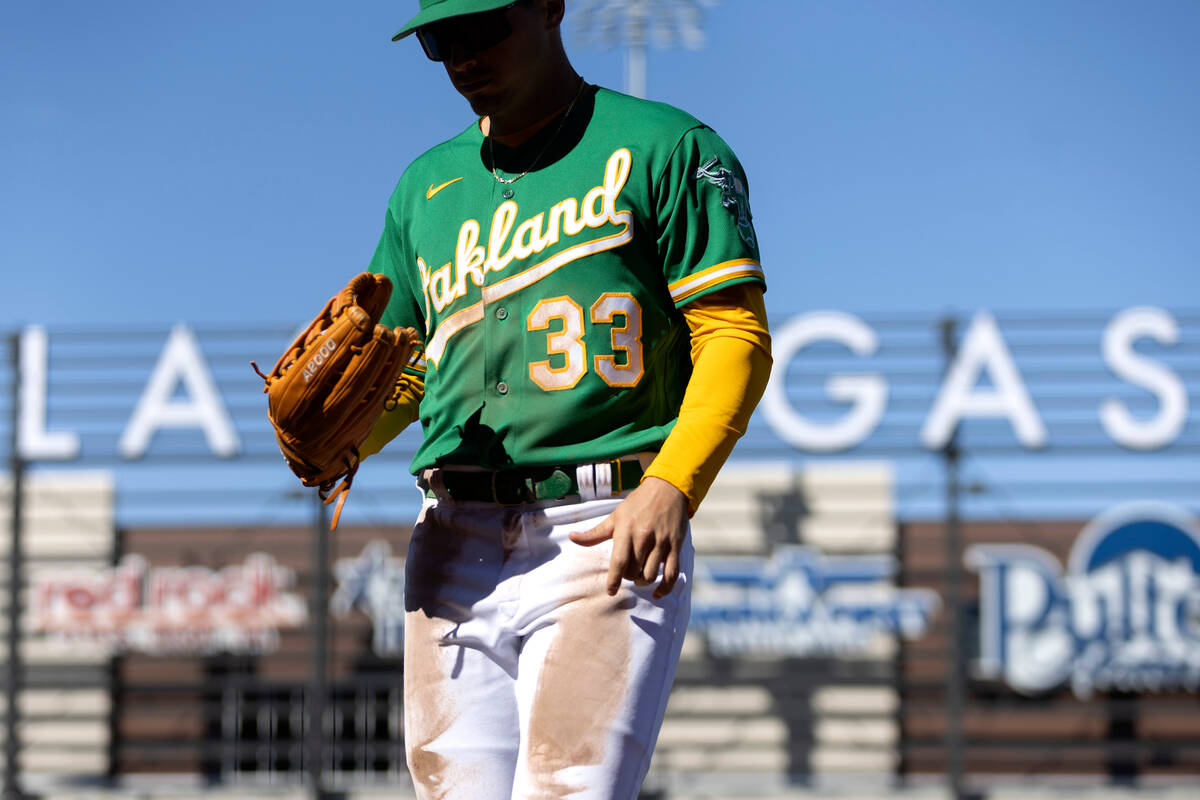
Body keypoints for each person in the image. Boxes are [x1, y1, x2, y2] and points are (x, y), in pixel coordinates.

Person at [359, 1, 772, 796]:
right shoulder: (424, 188)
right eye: (442, 39)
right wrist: (340, 441)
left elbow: (733, 338)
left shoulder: (665, 147)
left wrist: (674, 481)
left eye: (485, 27)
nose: (464, 56)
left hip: (604, 528)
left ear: (549, 6)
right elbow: (405, 371)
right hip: (451, 540)